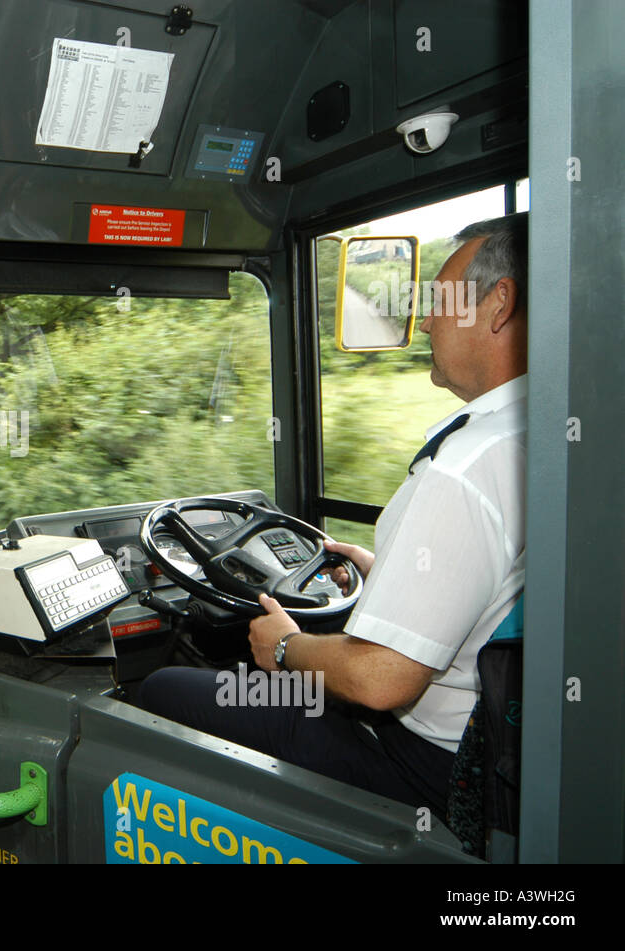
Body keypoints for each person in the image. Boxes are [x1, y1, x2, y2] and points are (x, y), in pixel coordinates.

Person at [137, 212, 528, 822]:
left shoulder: (470, 466)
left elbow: (380, 680)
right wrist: (386, 568)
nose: (425, 321)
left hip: (420, 760)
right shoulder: (537, 435)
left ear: (499, 304)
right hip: (488, 751)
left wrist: (287, 648)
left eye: (441, 302)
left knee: (162, 690)